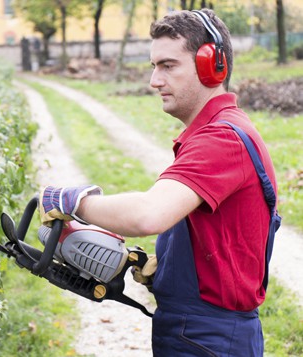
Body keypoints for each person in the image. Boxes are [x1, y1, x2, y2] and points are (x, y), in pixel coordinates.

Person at [38, 8, 281, 357]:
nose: (154, 81)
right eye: (153, 66)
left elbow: (148, 215)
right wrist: (162, 269)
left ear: (213, 66)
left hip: (208, 337)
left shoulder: (221, 140)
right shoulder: (219, 132)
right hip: (201, 330)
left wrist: (72, 200)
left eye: (168, 66)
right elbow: (221, 237)